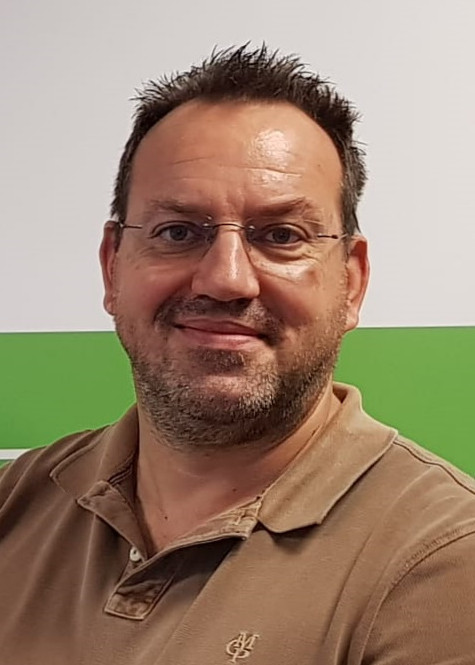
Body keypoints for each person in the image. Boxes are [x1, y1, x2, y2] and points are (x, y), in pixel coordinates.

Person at [1, 45, 474, 665]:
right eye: (178, 232)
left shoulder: (445, 560)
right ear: (113, 267)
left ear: (351, 282)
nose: (226, 280)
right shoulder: (17, 499)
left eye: (281, 236)